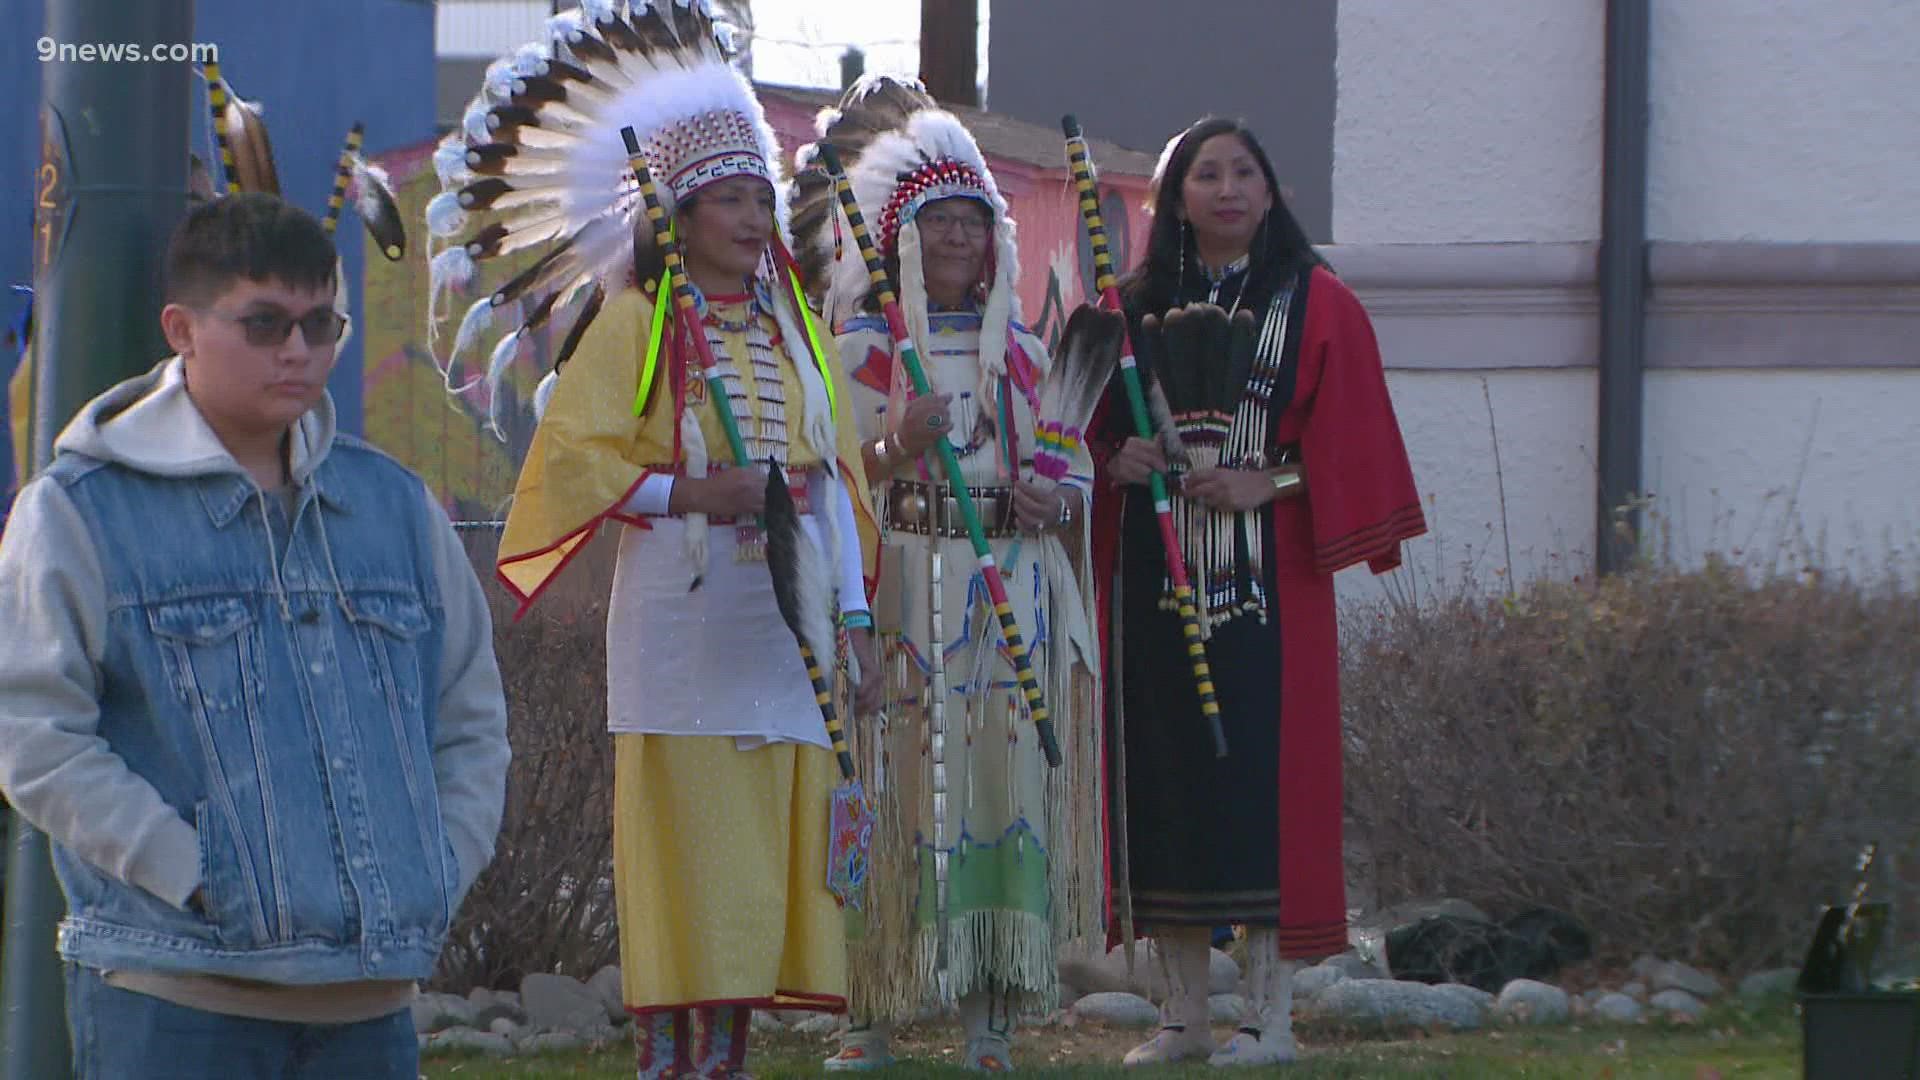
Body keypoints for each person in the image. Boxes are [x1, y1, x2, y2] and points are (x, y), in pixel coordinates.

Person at [431, 6, 882, 1076]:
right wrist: (696, 490)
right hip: (682, 631)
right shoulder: (638, 322)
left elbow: (832, 485)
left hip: (787, 633)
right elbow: (577, 458)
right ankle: (667, 1059)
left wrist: (856, 618)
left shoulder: (792, 326)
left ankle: (723, 1054)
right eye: (728, 196)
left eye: (761, 195)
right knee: (689, 852)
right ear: (675, 212)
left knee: (759, 856)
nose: (753, 213)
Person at [0, 191, 510, 1079]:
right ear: (182, 329)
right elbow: (32, 736)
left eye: (324, 324)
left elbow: (471, 719)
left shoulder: (394, 507)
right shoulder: (81, 511)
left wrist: (434, 865)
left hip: (372, 1005)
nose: (300, 351)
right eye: (266, 322)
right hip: (175, 998)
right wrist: (192, 870)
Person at [1088, 117, 1426, 1067]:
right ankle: (1182, 1015)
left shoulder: (1319, 303)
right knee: (1168, 786)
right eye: (1205, 174)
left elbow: (1353, 447)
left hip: (1272, 585)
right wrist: (1122, 459)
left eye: (1245, 172)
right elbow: (1078, 432)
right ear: (1175, 197)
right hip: (1159, 579)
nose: (1227, 188)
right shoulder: (1127, 308)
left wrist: (1264, 482)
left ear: (1271, 192)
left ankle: (1267, 1018)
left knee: (1265, 790)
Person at [789, 76, 1104, 1073]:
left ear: (998, 241)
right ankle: (867, 1012)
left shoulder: (1025, 352)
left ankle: (989, 1015)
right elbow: (829, 481)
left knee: (993, 792)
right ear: (901, 243)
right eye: (938, 221)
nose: (959, 237)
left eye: (974, 220)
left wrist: (1064, 499)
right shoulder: (862, 352)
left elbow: (1073, 462)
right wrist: (890, 447)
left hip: (1007, 592)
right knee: (883, 791)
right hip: (898, 593)